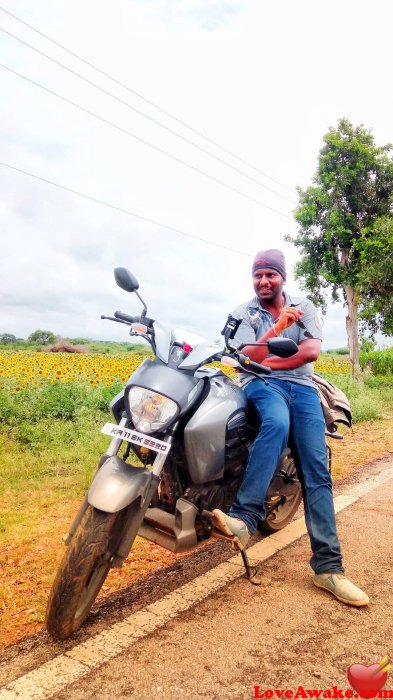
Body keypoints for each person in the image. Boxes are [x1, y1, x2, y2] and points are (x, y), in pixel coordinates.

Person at [212, 249, 369, 607]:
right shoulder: (242, 313)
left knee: (317, 470)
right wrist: (280, 328)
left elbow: (311, 351)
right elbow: (248, 360)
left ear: (282, 277)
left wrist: (271, 355)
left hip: (302, 388)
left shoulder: (305, 305)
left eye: (270, 275)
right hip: (260, 384)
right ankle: (244, 519)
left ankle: (329, 569)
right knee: (276, 424)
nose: (264, 281)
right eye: (258, 276)